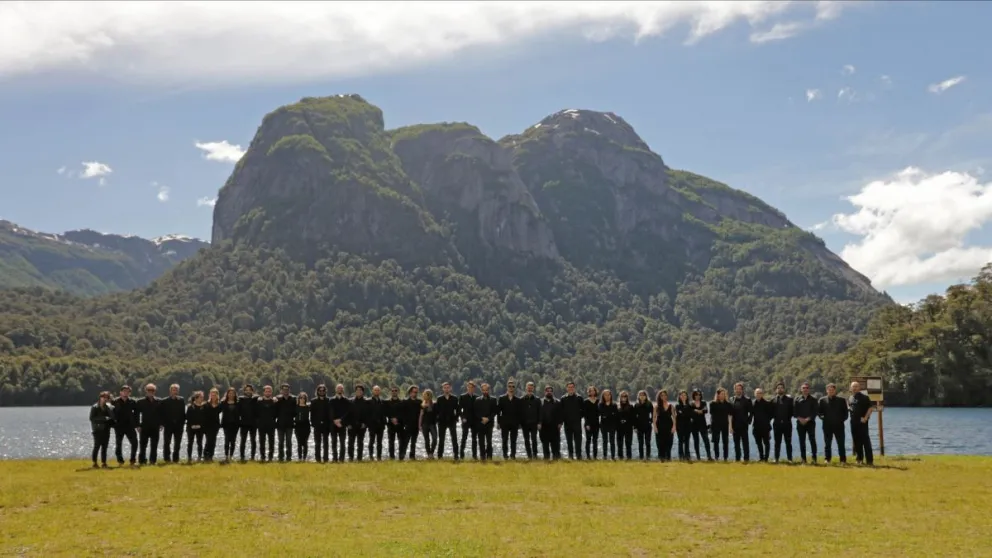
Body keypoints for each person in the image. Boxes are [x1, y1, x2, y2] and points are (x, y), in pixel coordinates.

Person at [818, 383, 848, 463]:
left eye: (832, 390)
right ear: (826, 390)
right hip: (827, 426)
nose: (830, 391)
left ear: (835, 390)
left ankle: (843, 460)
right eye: (829, 390)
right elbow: (819, 413)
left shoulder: (842, 400)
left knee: (841, 444)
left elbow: (846, 414)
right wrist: (823, 418)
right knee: (827, 444)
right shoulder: (822, 400)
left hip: (839, 426)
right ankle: (827, 459)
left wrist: (840, 420)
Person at [848, 381, 875, 466]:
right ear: (851, 388)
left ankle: (869, 461)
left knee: (866, 442)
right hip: (853, 423)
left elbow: (870, 408)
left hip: (862, 423)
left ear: (859, 388)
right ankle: (859, 459)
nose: (855, 388)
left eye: (856, 386)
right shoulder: (850, 397)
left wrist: (866, 418)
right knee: (856, 442)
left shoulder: (865, 397)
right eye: (853, 387)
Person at [135, 383, 163, 466]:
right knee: (143, 446)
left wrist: (161, 424)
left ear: (155, 391)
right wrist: (137, 425)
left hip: (155, 427)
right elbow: (136, 414)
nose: (151, 392)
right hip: (144, 427)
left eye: (152, 390)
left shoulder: (159, 401)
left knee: (154, 445)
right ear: (146, 391)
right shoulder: (140, 402)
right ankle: (142, 461)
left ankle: (153, 461)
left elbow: (162, 414)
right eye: (149, 390)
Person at [111, 385, 138, 467]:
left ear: (129, 393)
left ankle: (132, 461)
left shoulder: (133, 402)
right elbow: (111, 414)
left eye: (128, 391)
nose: (126, 393)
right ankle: (120, 461)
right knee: (118, 444)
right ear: (121, 392)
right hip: (119, 426)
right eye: (124, 391)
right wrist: (113, 424)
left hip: (130, 426)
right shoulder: (114, 402)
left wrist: (137, 425)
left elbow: (136, 414)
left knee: (135, 443)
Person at [161, 384, 186, 464]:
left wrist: (183, 423)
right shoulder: (164, 401)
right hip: (168, 425)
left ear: (178, 391)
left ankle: (176, 459)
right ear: (170, 391)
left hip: (179, 425)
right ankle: (167, 459)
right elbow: (162, 414)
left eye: (176, 390)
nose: (175, 391)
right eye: (173, 390)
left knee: (177, 443)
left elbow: (183, 413)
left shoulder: (181, 400)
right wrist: (162, 424)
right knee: (167, 442)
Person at [794, 382, 818, 463]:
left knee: (812, 441)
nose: (805, 389)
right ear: (801, 389)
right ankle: (803, 459)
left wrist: (808, 419)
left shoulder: (814, 400)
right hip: (800, 423)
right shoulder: (797, 399)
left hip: (810, 423)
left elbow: (815, 411)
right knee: (802, 441)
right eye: (803, 388)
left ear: (809, 389)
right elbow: (794, 411)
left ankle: (814, 459)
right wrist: (800, 418)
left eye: (807, 388)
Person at [89, 391, 115, 469]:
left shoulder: (108, 407)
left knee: (104, 447)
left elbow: (112, 417)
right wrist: (103, 418)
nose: (105, 399)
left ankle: (104, 463)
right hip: (97, 430)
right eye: (103, 397)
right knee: (97, 446)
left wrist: (110, 407)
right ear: (100, 397)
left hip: (106, 429)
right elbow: (91, 418)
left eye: (107, 397)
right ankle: (94, 463)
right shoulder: (95, 407)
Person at [435, 382, 459, 459]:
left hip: (452, 421)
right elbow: (436, 411)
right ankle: (439, 456)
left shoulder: (455, 398)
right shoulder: (439, 398)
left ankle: (456, 456)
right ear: (443, 389)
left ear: (450, 388)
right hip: (442, 422)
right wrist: (437, 419)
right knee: (441, 439)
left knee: (454, 439)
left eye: (448, 387)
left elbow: (458, 410)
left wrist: (456, 418)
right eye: (445, 387)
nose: (446, 389)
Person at [497, 380, 520, 460]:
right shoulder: (501, 398)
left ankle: (513, 455)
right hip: (504, 423)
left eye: (513, 386)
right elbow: (498, 412)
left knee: (513, 440)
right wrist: (498, 423)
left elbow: (519, 413)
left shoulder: (518, 400)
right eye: (509, 386)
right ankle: (505, 455)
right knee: (504, 440)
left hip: (514, 423)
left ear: (514, 388)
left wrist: (519, 423)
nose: (511, 388)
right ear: (507, 387)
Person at [474, 383, 498, 461]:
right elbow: (475, 412)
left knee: (489, 441)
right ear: (481, 390)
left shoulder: (493, 400)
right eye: (483, 390)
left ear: (489, 390)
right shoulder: (477, 400)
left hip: (489, 423)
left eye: (486, 390)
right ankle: (482, 457)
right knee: (481, 442)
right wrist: (482, 418)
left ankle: (489, 457)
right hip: (480, 423)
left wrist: (488, 418)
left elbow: (495, 412)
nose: (485, 391)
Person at [730, 382, 753, 462]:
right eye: (737, 389)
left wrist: (748, 421)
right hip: (734, 425)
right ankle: (737, 459)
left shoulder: (747, 400)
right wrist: (730, 426)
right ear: (734, 390)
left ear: (742, 390)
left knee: (745, 443)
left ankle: (746, 459)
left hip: (744, 425)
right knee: (736, 444)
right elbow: (730, 414)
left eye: (740, 389)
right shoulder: (731, 399)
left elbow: (751, 412)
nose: (738, 390)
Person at [560, 382, 583, 460]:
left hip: (577, 423)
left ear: (574, 388)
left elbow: (583, 410)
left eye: (572, 387)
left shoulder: (579, 398)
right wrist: (562, 421)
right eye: (569, 387)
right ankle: (570, 456)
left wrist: (579, 417)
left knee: (578, 441)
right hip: (567, 423)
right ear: (567, 388)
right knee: (569, 441)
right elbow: (561, 411)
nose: (570, 389)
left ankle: (579, 456)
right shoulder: (563, 398)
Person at [772, 382, 794, 463]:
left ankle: (790, 459)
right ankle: (776, 459)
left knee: (788, 442)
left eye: (781, 388)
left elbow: (792, 412)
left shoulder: (789, 400)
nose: (780, 389)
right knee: (777, 443)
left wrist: (787, 419)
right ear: (776, 390)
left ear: (784, 389)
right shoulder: (773, 400)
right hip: (776, 424)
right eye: (778, 388)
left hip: (787, 424)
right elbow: (771, 413)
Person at [539, 385, 562, 460]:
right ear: (544, 392)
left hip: (554, 428)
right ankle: (546, 460)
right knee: (545, 446)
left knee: (555, 446)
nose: (549, 393)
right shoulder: (540, 402)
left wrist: (560, 423)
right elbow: (538, 414)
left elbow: (561, 414)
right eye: (547, 391)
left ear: (552, 392)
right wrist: (539, 423)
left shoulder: (557, 402)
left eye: (550, 391)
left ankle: (556, 460)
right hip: (544, 428)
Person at [255, 385, 278, 462]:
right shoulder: (259, 401)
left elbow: (276, 414)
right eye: (266, 391)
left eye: (269, 391)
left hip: (271, 425)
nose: (268, 393)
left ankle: (270, 458)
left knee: (271, 442)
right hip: (261, 425)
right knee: (262, 441)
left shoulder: (274, 402)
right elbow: (256, 413)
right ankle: (263, 457)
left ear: (271, 392)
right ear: (263, 392)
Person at [709, 388, 732, 461]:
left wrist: (730, 426)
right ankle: (717, 457)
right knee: (716, 441)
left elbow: (730, 415)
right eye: (721, 394)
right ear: (718, 395)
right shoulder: (712, 403)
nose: (723, 395)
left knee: (725, 441)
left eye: (724, 394)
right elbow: (711, 414)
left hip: (725, 424)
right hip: (715, 425)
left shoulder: (728, 404)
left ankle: (725, 457)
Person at [458, 381, 479, 460]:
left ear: (474, 389)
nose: (470, 389)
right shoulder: (463, 397)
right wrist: (462, 418)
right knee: (464, 437)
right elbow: (459, 409)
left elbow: (478, 410)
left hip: (475, 421)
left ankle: (474, 456)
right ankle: (461, 455)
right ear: (467, 388)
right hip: (465, 420)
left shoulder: (477, 397)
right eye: (469, 387)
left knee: (474, 439)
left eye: (472, 387)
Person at [329, 384, 351, 463]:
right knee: (333, 442)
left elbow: (348, 413)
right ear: (336, 389)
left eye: (341, 388)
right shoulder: (331, 400)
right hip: (333, 424)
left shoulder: (346, 401)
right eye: (338, 388)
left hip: (342, 424)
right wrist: (334, 421)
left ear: (343, 390)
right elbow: (330, 412)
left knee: (342, 442)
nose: (340, 390)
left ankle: (341, 459)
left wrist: (340, 420)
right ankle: (335, 459)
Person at [399, 385, 421, 461]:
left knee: (414, 442)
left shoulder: (419, 402)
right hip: (407, 425)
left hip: (416, 425)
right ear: (410, 392)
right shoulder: (405, 402)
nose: (415, 393)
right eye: (414, 392)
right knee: (405, 441)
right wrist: (404, 423)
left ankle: (412, 456)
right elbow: (401, 413)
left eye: (416, 392)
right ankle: (402, 456)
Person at [237, 384, 258, 462]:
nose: (248, 391)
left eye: (250, 390)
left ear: (252, 391)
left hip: (253, 424)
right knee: (243, 440)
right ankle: (242, 457)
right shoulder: (241, 399)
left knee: (253, 440)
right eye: (246, 390)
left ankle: (252, 457)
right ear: (244, 391)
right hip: (243, 423)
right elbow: (237, 411)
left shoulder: (256, 399)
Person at [275, 384, 296, 463]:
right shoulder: (278, 399)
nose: (285, 391)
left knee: (289, 442)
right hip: (280, 424)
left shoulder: (293, 399)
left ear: (289, 390)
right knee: (280, 442)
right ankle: (280, 458)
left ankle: (289, 458)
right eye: (284, 389)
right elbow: (275, 412)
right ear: (281, 391)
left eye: (287, 389)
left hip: (290, 424)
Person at [689, 389, 712, 461]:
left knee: (706, 440)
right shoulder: (691, 403)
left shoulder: (703, 402)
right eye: (696, 395)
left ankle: (709, 456)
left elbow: (706, 410)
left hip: (702, 424)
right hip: (694, 425)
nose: (698, 396)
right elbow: (690, 413)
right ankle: (698, 457)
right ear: (693, 395)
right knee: (696, 441)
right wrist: (698, 411)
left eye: (699, 395)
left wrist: (698, 410)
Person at [520, 382, 541, 459]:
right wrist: (520, 423)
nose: (529, 389)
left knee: (534, 439)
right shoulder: (521, 399)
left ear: (533, 389)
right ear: (526, 388)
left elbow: (540, 412)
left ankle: (535, 455)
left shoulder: (537, 400)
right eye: (528, 387)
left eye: (531, 388)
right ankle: (529, 455)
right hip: (524, 424)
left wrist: (539, 422)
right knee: (526, 440)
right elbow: (520, 412)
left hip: (534, 423)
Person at [310, 385, 330, 463]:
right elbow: (312, 414)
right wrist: (313, 423)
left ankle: (326, 459)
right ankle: (317, 459)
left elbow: (329, 414)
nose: (321, 392)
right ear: (317, 391)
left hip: (326, 425)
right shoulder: (313, 401)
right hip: (317, 425)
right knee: (317, 443)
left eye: (323, 390)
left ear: (325, 391)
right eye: (320, 391)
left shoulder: (328, 400)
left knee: (326, 443)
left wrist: (329, 424)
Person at [653, 390, 675, 461]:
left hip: (669, 426)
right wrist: (655, 427)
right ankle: (661, 458)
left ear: (667, 396)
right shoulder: (656, 406)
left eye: (665, 395)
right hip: (659, 426)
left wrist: (674, 427)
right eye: (662, 395)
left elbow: (674, 417)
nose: (663, 397)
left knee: (669, 443)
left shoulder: (671, 406)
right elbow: (654, 417)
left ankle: (668, 458)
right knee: (660, 443)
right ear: (659, 396)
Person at [348, 385, 369, 461]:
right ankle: (351, 458)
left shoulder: (366, 402)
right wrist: (348, 424)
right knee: (351, 443)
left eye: (360, 390)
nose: (358, 391)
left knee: (360, 443)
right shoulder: (350, 401)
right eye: (357, 390)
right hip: (352, 425)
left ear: (363, 392)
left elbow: (368, 414)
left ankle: (359, 458)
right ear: (355, 391)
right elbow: (348, 414)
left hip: (361, 425)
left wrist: (365, 423)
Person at [366, 386, 387, 461]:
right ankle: (371, 456)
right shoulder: (368, 401)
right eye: (375, 390)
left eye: (378, 390)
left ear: (380, 391)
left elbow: (384, 413)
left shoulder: (382, 401)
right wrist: (368, 424)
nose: (377, 391)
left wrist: (384, 423)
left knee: (379, 442)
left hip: (381, 425)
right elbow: (367, 414)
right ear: (373, 391)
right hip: (372, 425)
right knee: (371, 441)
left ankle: (379, 457)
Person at [185, 391, 206, 463]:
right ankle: (189, 458)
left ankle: (199, 457)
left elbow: (204, 418)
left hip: (200, 428)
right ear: (196, 398)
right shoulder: (190, 407)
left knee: (199, 443)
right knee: (190, 443)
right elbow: (188, 417)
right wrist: (192, 425)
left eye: (202, 397)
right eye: (200, 397)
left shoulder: (204, 407)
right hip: (191, 428)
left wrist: (200, 425)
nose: (202, 399)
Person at [220, 387, 240, 461]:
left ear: (235, 394)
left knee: (233, 440)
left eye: (233, 393)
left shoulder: (238, 403)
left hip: (235, 424)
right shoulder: (223, 403)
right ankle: (226, 456)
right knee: (227, 440)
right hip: (226, 424)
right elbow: (216, 410)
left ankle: (231, 456)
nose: (231, 394)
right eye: (230, 393)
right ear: (227, 394)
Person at [202, 388, 222, 462]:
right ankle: (205, 455)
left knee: (213, 441)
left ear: (217, 395)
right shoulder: (205, 405)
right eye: (212, 394)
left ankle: (211, 456)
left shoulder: (219, 405)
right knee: (208, 440)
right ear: (209, 395)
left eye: (215, 395)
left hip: (215, 425)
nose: (213, 396)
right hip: (207, 425)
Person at [633, 390, 653, 460]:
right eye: (640, 395)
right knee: (640, 443)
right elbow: (634, 417)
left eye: (643, 395)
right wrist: (635, 427)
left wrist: (651, 421)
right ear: (638, 396)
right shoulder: (636, 405)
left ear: (646, 396)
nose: (642, 396)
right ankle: (641, 457)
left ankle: (648, 457)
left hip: (647, 426)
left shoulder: (649, 404)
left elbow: (653, 414)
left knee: (648, 442)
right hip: (639, 426)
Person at [598, 389, 618, 460]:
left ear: (610, 396)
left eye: (608, 395)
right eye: (605, 395)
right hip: (603, 425)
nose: (607, 396)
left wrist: (606, 415)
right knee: (604, 441)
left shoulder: (614, 405)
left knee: (612, 441)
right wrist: (608, 414)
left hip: (612, 425)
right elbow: (600, 414)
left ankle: (613, 456)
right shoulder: (600, 405)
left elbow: (616, 416)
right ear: (603, 396)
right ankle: (605, 456)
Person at [385, 386, 403, 460]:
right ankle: (391, 457)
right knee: (391, 441)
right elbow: (386, 412)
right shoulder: (387, 402)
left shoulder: (401, 402)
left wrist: (397, 419)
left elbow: (403, 413)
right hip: (390, 424)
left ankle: (400, 457)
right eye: (392, 391)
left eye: (395, 390)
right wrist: (391, 418)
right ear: (391, 392)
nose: (394, 392)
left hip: (399, 424)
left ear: (398, 392)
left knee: (401, 441)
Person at [419, 388, 438, 459]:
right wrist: (419, 425)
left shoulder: (435, 404)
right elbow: (421, 416)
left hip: (433, 424)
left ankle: (431, 452)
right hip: (424, 424)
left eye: (429, 394)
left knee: (435, 439)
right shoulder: (422, 405)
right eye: (426, 394)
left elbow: (437, 414)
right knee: (427, 440)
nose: (428, 395)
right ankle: (429, 454)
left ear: (431, 395)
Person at [616, 391, 635, 460]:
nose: (624, 398)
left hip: (628, 427)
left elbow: (633, 418)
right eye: (622, 396)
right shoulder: (617, 406)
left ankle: (629, 457)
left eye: (625, 396)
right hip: (619, 427)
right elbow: (615, 417)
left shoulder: (631, 406)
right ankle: (620, 457)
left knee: (628, 443)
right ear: (620, 397)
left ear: (627, 398)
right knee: (619, 443)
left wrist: (633, 426)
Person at [582, 386, 600, 459]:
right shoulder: (586, 401)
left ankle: (595, 457)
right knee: (588, 440)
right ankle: (588, 456)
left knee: (595, 440)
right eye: (590, 391)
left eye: (593, 391)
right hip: (588, 424)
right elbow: (585, 414)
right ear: (588, 392)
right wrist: (587, 424)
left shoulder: (598, 401)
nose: (592, 392)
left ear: (595, 392)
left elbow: (600, 413)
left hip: (596, 423)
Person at [675, 390, 693, 461]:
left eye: (684, 395)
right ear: (679, 397)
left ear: (687, 396)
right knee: (680, 441)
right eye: (681, 395)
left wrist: (683, 412)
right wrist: (685, 413)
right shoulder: (677, 406)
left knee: (687, 441)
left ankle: (687, 455)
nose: (683, 396)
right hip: (679, 425)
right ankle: (681, 455)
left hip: (688, 425)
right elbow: (680, 414)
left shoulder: (690, 405)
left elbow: (690, 414)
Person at [294, 392, 311, 461]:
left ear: (305, 399)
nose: (302, 399)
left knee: (305, 442)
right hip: (298, 426)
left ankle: (304, 458)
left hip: (306, 426)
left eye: (303, 398)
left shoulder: (308, 407)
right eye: (300, 397)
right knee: (299, 442)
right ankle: (299, 458)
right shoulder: (296, 407)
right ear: (299, 398)